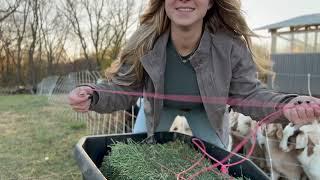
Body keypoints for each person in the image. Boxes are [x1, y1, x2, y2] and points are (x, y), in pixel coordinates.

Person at [68, 0, 320, 149]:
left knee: (217, 159)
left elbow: (250, 94)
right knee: (140, 151)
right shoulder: (145, 40)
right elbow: (124, 88)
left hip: (207, 111)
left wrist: (285, 105)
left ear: (210, 2)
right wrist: (95, 95)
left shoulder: (230, 46)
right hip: (158, 105)